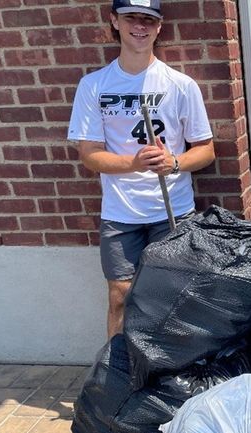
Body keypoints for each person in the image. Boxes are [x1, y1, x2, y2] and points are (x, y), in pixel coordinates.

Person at [67, 0, 215, 338]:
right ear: (114, 21)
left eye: (149, 19)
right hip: (121, 213)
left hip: (172, 210)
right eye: (131, 17)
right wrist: (134, 163)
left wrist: (174, 162)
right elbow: (89, 155)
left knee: (172, 298)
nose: (140, 25)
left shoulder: (180, 84)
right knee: (120, 297)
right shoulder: (94, 86)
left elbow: (205, 150)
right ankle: (118, 374)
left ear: (159, 26)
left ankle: (171, 375)